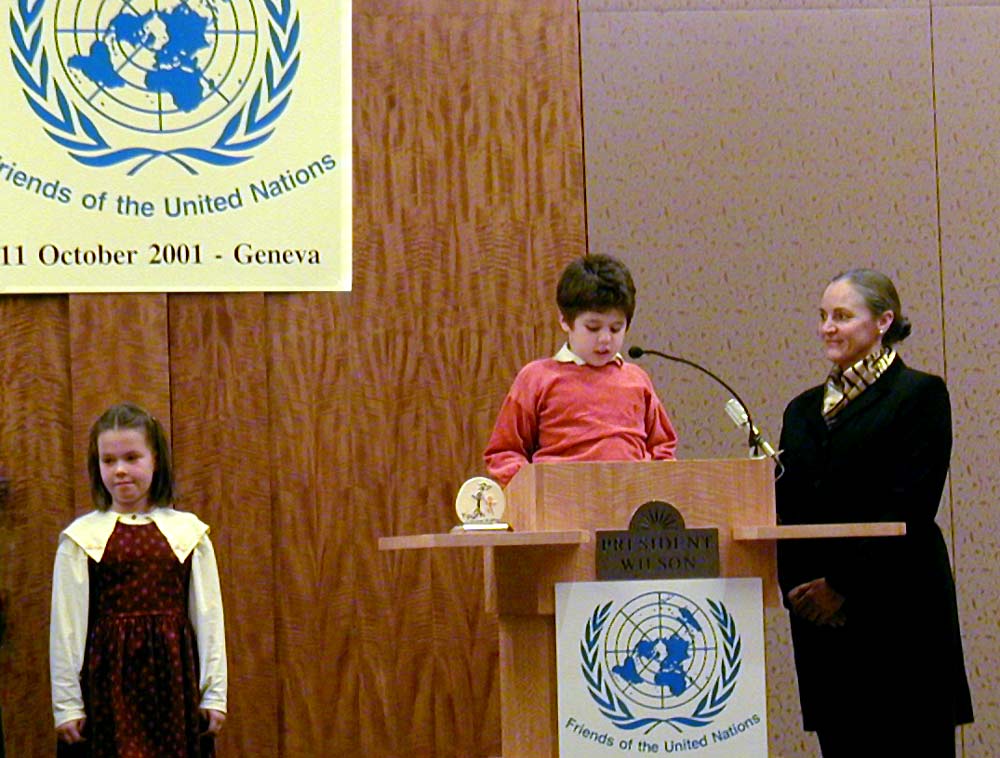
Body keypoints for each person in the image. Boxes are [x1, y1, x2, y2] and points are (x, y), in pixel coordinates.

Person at [776, 269, 973, 757]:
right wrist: (799, 592)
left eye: (842, 316)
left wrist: (841, 586)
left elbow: (911, 503)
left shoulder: (920, 395)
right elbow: (785, 506)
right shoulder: (801, 411)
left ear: (884, 321)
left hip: (900, 616)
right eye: (823, 316)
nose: (827, 328)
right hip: (826, 630)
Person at [50, 403, 227, 756]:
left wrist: (214, 693)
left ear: (155, 459)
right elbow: (66, 627)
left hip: (173, 680)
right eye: (109, 460)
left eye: (132, 458)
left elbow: (208, 618)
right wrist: (67, 704)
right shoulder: (82, 539)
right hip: (108, 682)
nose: (120, 470)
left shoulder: (187, 534)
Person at [484, 254, 678, 486]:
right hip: (560, 497)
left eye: (616, 328)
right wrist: (533, 487)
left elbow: (662, 449)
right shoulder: (536, 378)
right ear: (565, 321)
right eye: (593, 328)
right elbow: (504, 452)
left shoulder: (637, 379)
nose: (605, 339)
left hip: (631, 495)